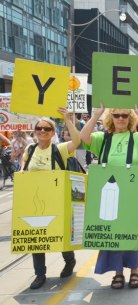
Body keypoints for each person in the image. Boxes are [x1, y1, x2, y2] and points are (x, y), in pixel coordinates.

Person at [80, 105, 138, 289]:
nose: (121, 119)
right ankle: (118, 272)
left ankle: (134, 270)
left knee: (131, 229)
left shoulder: (136, 137)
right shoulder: (103, 138)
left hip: (131, 191)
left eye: (125, 115)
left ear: (130, 118)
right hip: (108, 190)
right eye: (117, 115)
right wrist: (96, 115)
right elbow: (83, 138)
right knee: (112, 230)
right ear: (111, 117)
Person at [23, 109, 81, 289]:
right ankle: (40, 274)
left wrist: (68, 120)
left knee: (61, 233)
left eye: (47, 129)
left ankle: (69, 261)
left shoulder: (60, 149)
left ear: (53, 132)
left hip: (57, 200)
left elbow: (78, 141)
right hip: (35, 200)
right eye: (39, 128)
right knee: (36, 237)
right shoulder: (30, 149)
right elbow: (23, 170)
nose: (42, 131)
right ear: (34, 131)